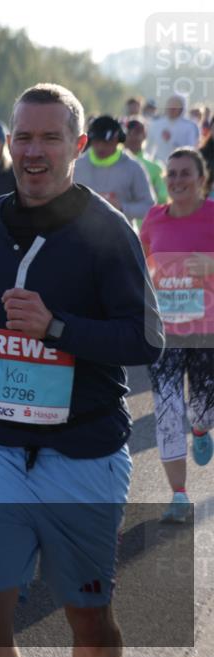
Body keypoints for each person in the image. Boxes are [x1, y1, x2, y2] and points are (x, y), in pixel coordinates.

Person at [0, 83, 163, 657]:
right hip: (0, 450)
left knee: (89, 623)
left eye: (50, 138)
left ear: (79, 145)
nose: (34, 152)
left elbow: (146, 339)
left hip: (84, 455)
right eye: (23, 137)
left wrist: (55, 328)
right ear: (8, 143)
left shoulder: (109, 232)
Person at [139, 147, 214, 523]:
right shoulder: (153, 219)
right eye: (172, 173)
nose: (177, 180)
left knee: (202, 407)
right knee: (167, 408)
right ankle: (179, 495)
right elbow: (143, 265)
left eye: (186, 173)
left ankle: (201, 427)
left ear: (202, 179)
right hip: (165, 333)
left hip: (206, 334)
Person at [73, 115, 155, 224]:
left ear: (117, 140)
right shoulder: (76, 166)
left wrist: (121, 207)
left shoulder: (133, 167)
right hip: (82, 235)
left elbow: (149, 207)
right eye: (97, 141)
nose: (100, 147)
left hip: (121, 236)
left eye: (106, 142)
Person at [125, 116, 169, 210]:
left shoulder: (155, 167)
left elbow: (163, 197)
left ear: (144, 135)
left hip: (145, 222)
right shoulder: (113, 162)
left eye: (137, 133)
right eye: (129, 133)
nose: (132, 137)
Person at [149, 94, 201, 163]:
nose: (171, 109)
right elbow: (149, 147)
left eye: (175, 107)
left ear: (182, 108)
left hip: (180, 166)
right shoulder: (156, 124)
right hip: (158, 165)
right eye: (170, 105)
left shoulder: (190, 127)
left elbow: (191, 150)